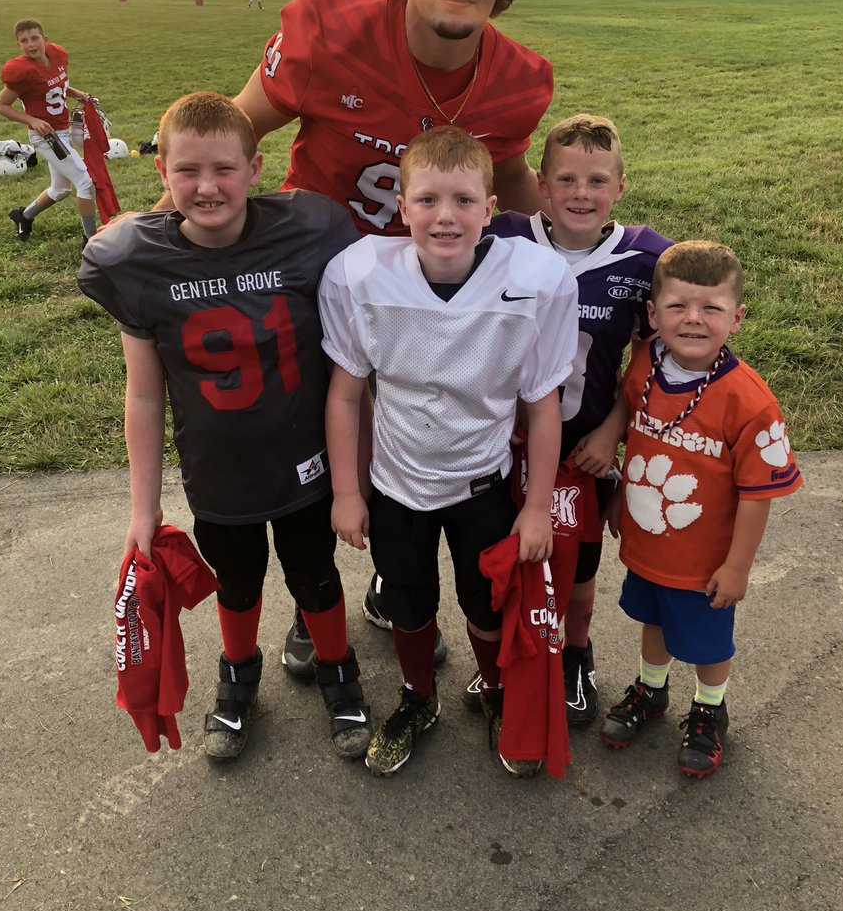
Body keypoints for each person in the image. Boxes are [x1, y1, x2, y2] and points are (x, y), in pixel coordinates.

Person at [157, 0, 555, 656]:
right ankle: (317, 601)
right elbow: (237, 129)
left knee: (416, 412)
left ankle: (393, 568)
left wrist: (577, 247)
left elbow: (507, 175)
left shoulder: (520, 80)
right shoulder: (326, 33)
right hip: (318, 271)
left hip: (433, 277)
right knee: (316, 425)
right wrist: (178, 207)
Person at [79, 92, 372, 764]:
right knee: (236, 583)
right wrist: (143, 508)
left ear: (256, 168)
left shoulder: (309, 230)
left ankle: (338, 671)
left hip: (304, 459)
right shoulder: (136, 261)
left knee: (315, 576)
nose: (206, 186)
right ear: (161, 175)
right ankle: (238, 677)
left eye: (223, 169)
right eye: (187, 171)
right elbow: (145, 395)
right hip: (219, 470)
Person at [319, 126, 578, 777]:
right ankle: (418, 698)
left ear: (491, 210)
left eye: (463, 200)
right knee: (408, 605)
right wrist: (349, 493)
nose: (445, 216)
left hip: (481, 488)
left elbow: (543, 403)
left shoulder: (534, 279)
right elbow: (346, 394)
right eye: (428, 199)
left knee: (485, 609)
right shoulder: (361, 275)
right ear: (400, 207)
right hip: (397, 485)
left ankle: (493, 691)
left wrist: (538, 506)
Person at [461, 115, 672, 726]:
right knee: (497, 551)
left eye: (597, 180)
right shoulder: (501, 237)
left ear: (621, 187)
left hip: (585, 442)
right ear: (543, 185)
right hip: (499, 439)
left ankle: (574, 651)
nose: (582, 193)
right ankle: (502, 653)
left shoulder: (644, 256)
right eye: (567, 179)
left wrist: (616, 430)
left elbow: (655, 353)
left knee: (577, 562)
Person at [599, 240, 803, 777]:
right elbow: (636, 432)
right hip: (649, 540)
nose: (693, 320)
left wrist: (737, 566)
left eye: (710, 308)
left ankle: (710, 710)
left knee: (708, 640)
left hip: (705, 559)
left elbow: (759, 495)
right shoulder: (645, 362)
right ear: (652, 314)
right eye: (677, 307)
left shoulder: (749, 402)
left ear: (735, 318)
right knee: (652, 618)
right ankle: (651, 688)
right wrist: (621, 493)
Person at [0, 17, 97, 244]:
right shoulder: (23, 71)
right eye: (24, 41)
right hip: (46, 136)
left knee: (61, 189)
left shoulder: (56, 56)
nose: (31, 44)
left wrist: (76, 93)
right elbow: (0, 105)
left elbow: (57, 83)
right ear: (18, 45)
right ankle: (91, 241)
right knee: (84, 181)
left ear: (45, 39)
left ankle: (23, 216)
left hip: (63, 130)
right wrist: (32, 119)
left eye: (35, 38)